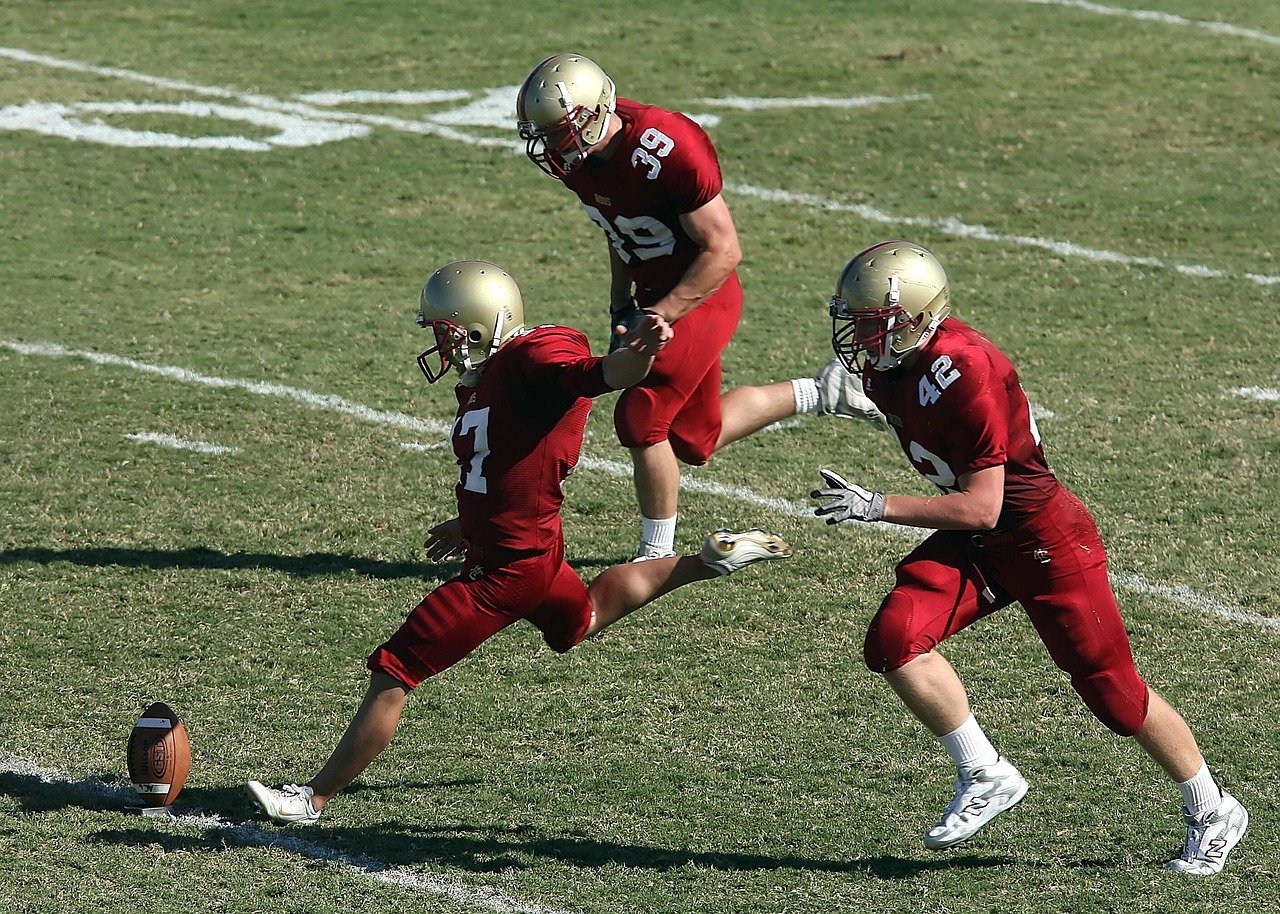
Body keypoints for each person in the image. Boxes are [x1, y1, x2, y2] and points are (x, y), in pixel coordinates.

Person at [246, 260, 792, 824]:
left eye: (448, 329)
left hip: (503, 573)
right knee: (582, 618)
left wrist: (640, 354)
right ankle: (707, 562)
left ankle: (311, 799)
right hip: (532, 552)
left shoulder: (534, 357)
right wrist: (472, 521)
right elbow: (510, 458)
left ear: (485, 323)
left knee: (395, 669)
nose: (441, 342)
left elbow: (601, 374)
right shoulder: (492, 375)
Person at [809, 240, 1248, 875]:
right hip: (986, 543)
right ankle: (984, 772)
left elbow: (983, 506)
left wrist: (878, 506)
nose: (860, 335)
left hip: (1040, 537)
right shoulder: (887, 365)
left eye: (874, 321)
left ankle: (1213, 808)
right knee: (895, 638)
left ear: (914, 317)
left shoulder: (969, 372)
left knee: (1114, 695)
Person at [516, 53, 882, 561]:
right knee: (694, 437)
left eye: (559, 131)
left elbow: (724, 249)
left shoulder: (666, 148)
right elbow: (618, 230)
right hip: (653, 298)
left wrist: (663, 311)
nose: (551, 145)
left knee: (640, 418)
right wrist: (621, 303)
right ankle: (823, 391)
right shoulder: (580, 159)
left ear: (593, 112)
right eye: (543, 133)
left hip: (701, 296)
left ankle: (655, 553)